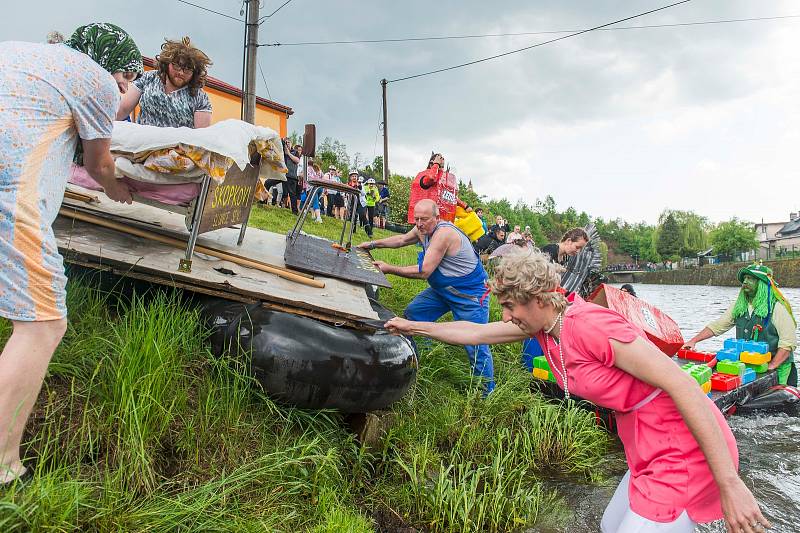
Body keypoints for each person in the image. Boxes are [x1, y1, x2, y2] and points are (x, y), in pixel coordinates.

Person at [385, 250, 770, 532]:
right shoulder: (543, 328)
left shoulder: (589, 327)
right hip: (644, 441)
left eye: (508, 306)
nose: (504, 317)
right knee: (608, 524)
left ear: (537, 299)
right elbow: (473, 332)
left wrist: (730, 484)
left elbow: (683, 383)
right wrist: (414, 327)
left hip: (679, 444)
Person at [0, 22, 141, 486]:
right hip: (8, 189)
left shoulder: (22, 52)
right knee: (44, 323)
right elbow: (99, 162)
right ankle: (4, 465)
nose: (123, 92)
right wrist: (118, 188)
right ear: (116, 69)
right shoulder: (98, 80)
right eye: (127, 82)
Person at [359, 199, 494, 393]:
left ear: (437, 218)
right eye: (416, 219)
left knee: (475, 341)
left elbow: (424, 271)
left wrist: (389, 268)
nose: (419, 224)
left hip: (470, 296)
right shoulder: (422, 230)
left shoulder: (443, 234)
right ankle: (424, 358)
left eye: (424, 219)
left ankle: (485, 392)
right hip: (442, 291)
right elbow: (401, 240)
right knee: (414, 314)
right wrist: (372, 244)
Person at [683, 263, 797, 386]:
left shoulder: (777, 308)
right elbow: (717, 326)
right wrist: (693, 341)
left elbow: (788, 343)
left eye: (750, 279)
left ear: (762, 284)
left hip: (776, 368)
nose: (745, 282)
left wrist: (772, 365)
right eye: (744, 279)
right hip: (748, 364)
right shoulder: (739, 306)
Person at [116, 37, 212, 128]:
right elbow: (123, 109)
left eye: (187, 70)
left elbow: (201, 137)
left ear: (195, 73)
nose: (181, 73)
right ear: (167, 63)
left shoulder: (200, 97)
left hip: (175, 145)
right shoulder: (148, 78)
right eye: (177, 66)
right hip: (142, 143)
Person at [406, 152, 470, 224]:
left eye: (442, 158)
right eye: (439, 158)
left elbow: (451, 197)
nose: (442, 159)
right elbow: (430, 178)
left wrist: (465, 206)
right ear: (431, 163)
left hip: (440, 220)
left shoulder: (445, 179)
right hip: (426, 218)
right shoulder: (425, 175)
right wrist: (436, 164)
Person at [347, 172, 372, 237]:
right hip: (353, 202)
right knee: (353, 216)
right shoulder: (348, 184)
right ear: (350, 177)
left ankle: (369, 232)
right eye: (353, 176)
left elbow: (363, 193)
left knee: (362, 215)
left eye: (355, 176)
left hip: (361, 203)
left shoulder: (360, 184)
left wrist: (360, 187)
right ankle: (353, 230)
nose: (354, 177)